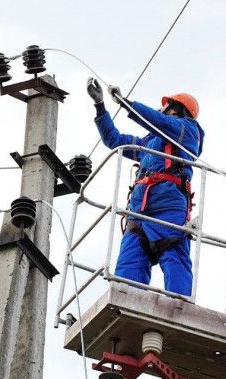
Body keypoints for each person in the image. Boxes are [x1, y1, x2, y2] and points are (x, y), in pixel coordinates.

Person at [87, 78, 204, 296]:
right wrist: (100, 106)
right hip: (139, 212)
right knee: (128, 269)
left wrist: (126, 103)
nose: (161, 109)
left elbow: (157, 121)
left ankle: (180, 306)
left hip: (168, 208)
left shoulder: (188, 132)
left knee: (175, 260)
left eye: (165, 106)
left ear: (176, 109)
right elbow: (114, 140)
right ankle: (125, 301)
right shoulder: (149, 143)